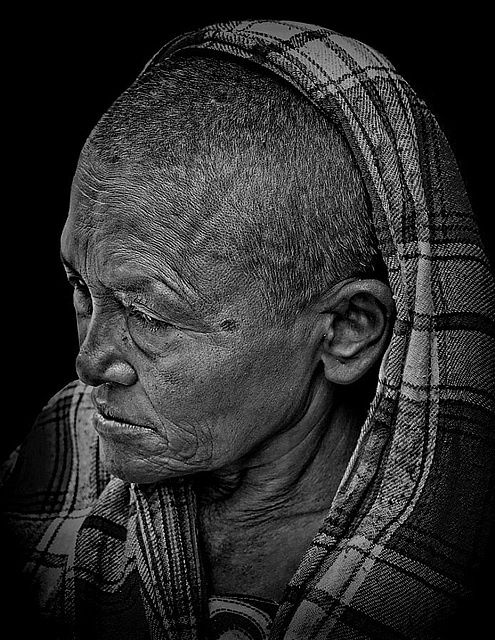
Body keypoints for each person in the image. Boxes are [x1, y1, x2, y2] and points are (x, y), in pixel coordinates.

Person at [1, 19, 493, 640]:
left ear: (348, 330)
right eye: (80, 287)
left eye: (149, 315)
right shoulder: (54, 456)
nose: (91, 360)